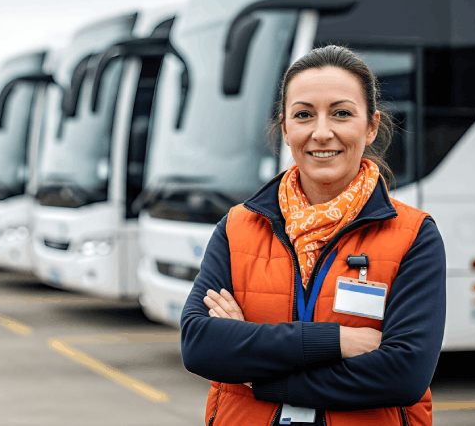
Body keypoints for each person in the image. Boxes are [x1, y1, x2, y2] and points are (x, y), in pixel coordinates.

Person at [180, 45, 445, 426]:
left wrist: (258, 371)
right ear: (286, 129)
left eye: (341, 113)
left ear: (371, 126)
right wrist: (337, 341)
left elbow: (404, 374)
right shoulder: (237, 228)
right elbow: (200, 346)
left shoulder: (414, 236)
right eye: (304, 115)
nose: (322, 133)